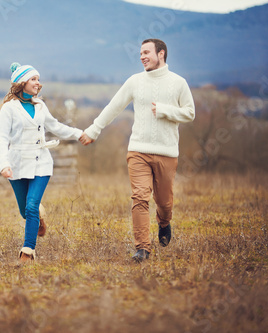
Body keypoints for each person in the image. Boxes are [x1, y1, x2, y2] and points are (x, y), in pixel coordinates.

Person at [79, 39, 195, 262]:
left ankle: (164, 221)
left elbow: (190, 113)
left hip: (167, 152)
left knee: (164, 202)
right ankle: (143, 248)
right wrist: (94, 129)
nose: (142, 56)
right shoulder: (135, 81)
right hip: (138, 150)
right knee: (140, 197)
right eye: (140, 53)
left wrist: (164, 110)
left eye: (146, 52)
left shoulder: (178, 83)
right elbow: (114, 107)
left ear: (161, 54)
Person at [0, 62, 83, 263]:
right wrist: (4, 164)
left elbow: (56, 127)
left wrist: (79, 133)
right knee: (25, 210)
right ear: (22, 82)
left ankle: (28, 251)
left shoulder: (41, 106)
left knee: (32, 205)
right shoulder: (8, 109)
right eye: (34, 79)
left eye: (38, 79)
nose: (38, 83)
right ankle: (39, 218)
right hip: (16, 164)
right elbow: (1, 139)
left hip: (41, 162)